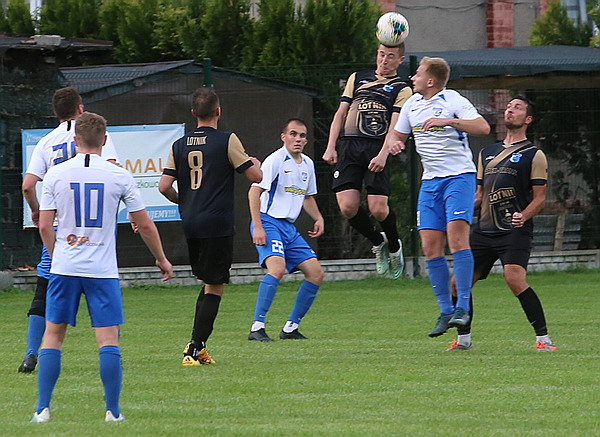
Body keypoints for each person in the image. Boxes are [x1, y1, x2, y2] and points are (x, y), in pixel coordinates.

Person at [30, 112, 173, 423]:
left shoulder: (56, 175)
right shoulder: (119, 176)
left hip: (65, 267)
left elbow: (44, 225)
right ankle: (113, 412)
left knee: (53, 336)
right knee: (108, 340)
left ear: (74, 140)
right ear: (105, 140)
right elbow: (145, 225)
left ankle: (42, 410)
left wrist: (58, 255)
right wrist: (161, 258)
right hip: (102, 269)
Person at [386, 57, 491, 337]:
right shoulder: (411, 104)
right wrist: (395, 144)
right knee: (430, 247)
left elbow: (483, 128)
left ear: (431, 80)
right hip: (430, 183)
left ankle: (463, 307)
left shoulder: (452, 99)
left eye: (418, 74)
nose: (413, 78)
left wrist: (450, 121)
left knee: (457, 241)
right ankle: (446, 311)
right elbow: (396, 136)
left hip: (459, 178)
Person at [19, 87, 120, 374]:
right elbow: (113, 170)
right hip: (93, 226)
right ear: (80, 108)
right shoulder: (94, 133)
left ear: (56, 112)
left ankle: (31, 353)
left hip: (60, 226)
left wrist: (37, 210)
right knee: (104, 288)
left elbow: (27, 185)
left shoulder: (46, 142)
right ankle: (112, 351)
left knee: (45, 284)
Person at [159, 87, 262, 366]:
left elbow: (164, 186)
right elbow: (255, 176)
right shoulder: (227, 140)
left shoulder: (178, 145)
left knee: (209, 282)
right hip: (217, 221)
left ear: (193, 113)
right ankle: (194, 348)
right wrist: (254, 162)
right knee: (215, 285)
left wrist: (184, 201)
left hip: (191, 221)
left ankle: (199, 345)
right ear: (218, 111)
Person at [447, 96, 557, 352]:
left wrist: (524, 216)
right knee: (457, 283)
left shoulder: (534, 154)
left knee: (514, 279)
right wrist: (457, 211)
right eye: (508, 106)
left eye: (517, 107)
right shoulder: (487, 153)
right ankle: (463, 339)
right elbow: (479, 195)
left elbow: (540, 199)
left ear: (528, 119)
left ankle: (544, 340)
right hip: (484, 230)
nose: (510, 110)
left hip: (514, 230)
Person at [323, 43, 412, 280]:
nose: (384, 60)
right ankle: (377, 241)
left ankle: (394, 245)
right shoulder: (358, 78)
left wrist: (384, 154)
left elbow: (395, 125)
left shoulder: (402, 88)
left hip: (376, 147)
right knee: (347, 207)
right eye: (381, 55)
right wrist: (331, 146)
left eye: (390, 56)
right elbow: (341, 113)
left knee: (378, 208)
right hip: (349, 147)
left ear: (400, 60)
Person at [248, 119, 325, 342]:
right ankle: (257, 327)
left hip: (288, 228)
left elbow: (307, 197)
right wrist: (258, 226)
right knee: (277, 269)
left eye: (302, 135)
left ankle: (291, 328)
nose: (297, 139)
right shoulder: (275, 160)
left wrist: (318, 217)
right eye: (293, 134)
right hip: (268, 222)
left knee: (316, 273)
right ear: (284, 137)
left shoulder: (307, 164)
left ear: (306, 140)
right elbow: (254, 192)